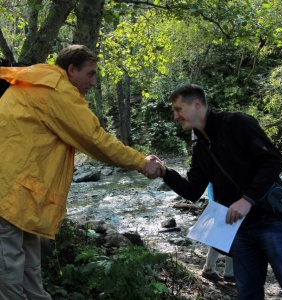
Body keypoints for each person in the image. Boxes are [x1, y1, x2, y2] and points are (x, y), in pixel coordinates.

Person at [0, 45, 161, 299]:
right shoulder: (55, 89)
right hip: (8, 197)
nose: (94, 83)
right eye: (90, 74)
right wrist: (141, 162)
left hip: (19, 197)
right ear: (71, 70)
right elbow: (94, 139)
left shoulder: (38, 80)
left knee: (28, 269)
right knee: (9, 275)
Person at [154, 84, 282, 299]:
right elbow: (193, 190)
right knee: (247, 294)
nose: (175, 116)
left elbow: (273, 160)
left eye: (178, 109)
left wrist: (247, 199)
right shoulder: (200, 147)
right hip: (238, 229)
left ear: (196, 104)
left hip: (273, 221)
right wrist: (165, 172)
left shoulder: (236, 123)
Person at [201, 183, 235, 283]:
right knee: (230, 236)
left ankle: (209, 269)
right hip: (225, 204)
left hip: (219, 203)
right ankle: (229, 273)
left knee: (220, 237)